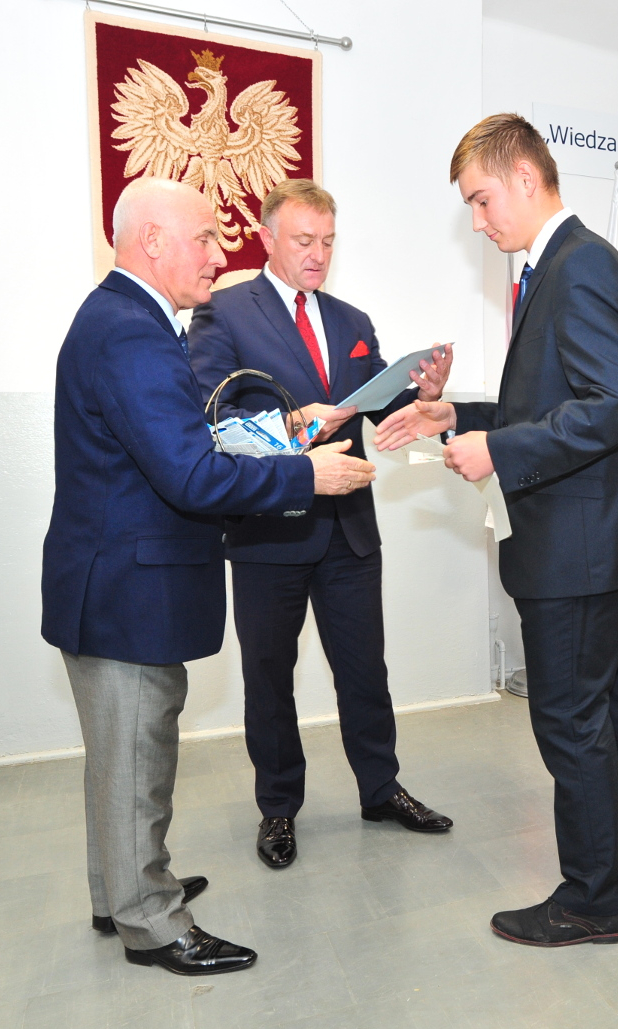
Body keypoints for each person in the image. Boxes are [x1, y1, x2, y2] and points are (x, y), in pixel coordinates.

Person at [41, 176, 376, 976]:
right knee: (136, 757)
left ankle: (122, 887)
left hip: (116, 580)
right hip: (128, 588)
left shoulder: (127, 321)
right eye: (204, 238)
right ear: (152, 240)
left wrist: (282, 431)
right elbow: (191, 475)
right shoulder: (131, 331)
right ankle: (152, 921)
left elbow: (179, 445)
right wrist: (307, 474)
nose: (219, 255)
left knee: (119, 757)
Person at [373, 113, 618, 948]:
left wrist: (499, 450)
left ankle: (593, 899)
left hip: (574, 544)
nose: (478, 221)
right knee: (615, 699)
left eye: (481, 200)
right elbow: (553, 401)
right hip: (594, 535)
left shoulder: (579, 267)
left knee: (569, 718)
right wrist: (459, 416)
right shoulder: (557, 266)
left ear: (523, 175)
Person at [189, 179, 455, 871]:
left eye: (328, 242)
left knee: (365, 670)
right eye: (304, 240)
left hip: (349, 528)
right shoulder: (222, 313)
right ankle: (279, 806)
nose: (318, 254)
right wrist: (291, 422)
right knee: (269, 678)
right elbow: (210, 414)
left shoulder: (351, 319)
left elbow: (379, 402)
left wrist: (423, 393)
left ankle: (381, 788)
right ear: (267, 237)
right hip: (268, 529)